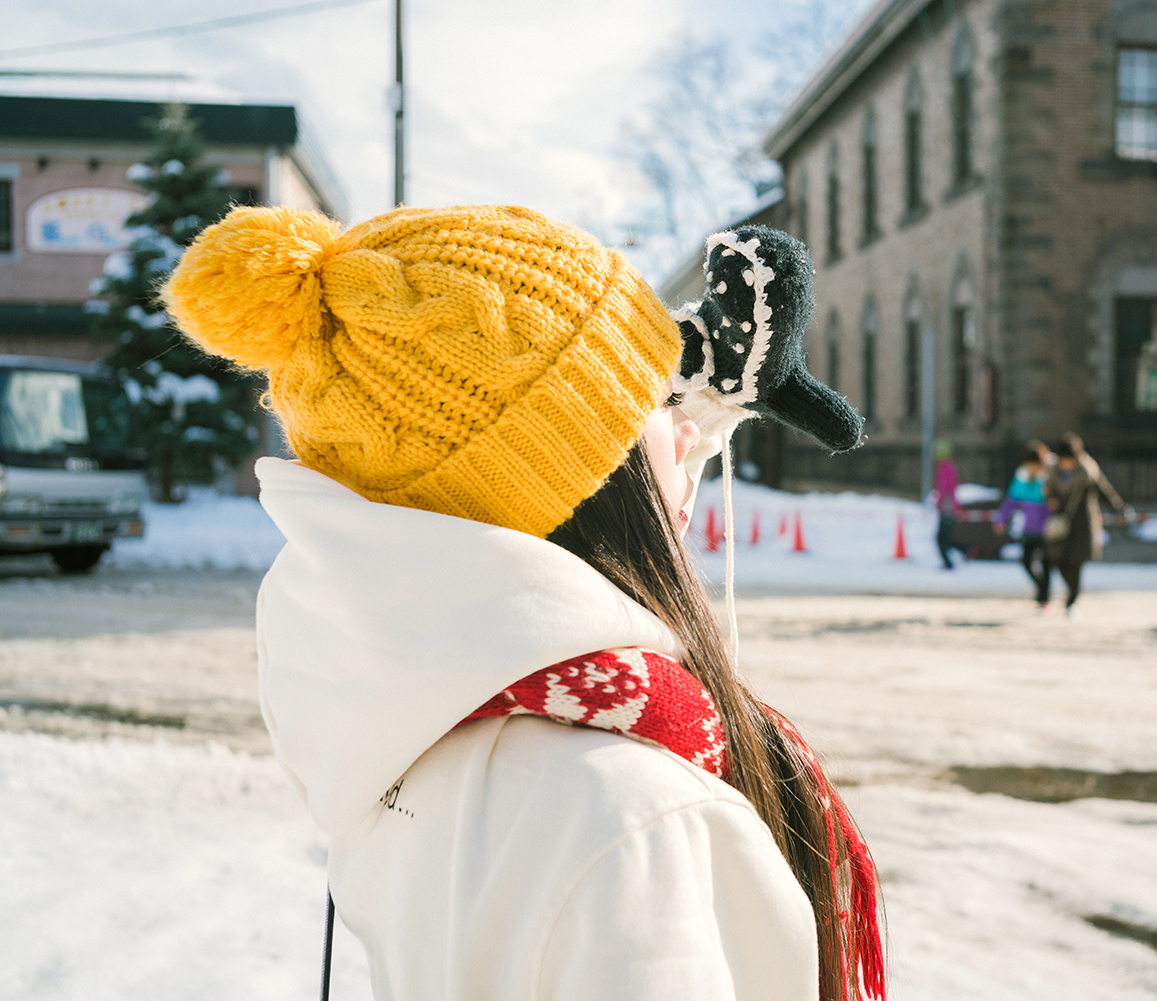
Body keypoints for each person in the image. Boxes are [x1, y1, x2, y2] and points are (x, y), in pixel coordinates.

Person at [161, 205, 883, 1001]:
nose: (688, 432)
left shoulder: (405, 721)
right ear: (576, 483)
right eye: (656, 403)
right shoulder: (632, 817)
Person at [1044, 437, 1127, 616]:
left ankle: (1072, 601)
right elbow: (1047, 491)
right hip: (1061, 524)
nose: (1066, 464)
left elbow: (1104, 490)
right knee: (1059, 560)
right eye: (1063, 460)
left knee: (1076, 561)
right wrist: (1050, 500)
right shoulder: (1052, 473)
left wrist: (1118, 507)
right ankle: (1071, 596)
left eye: (1069, 460)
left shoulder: (1088, 471)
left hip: (1083, 523)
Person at [994, 448, 1051, 605]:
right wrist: (1001, 520)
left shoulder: (1049, 479)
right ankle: (1042, 589)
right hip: (1029, 529)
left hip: (1047, 530)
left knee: (1046, 564)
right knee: (1026, 561)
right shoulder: (1021, 480)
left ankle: (1044, 597)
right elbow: (1010, 501)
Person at [933, 439, 962, 569]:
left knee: (941, 537)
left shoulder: (944, 468)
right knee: (946, 536)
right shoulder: (950, 466)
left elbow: (946, 488)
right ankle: (965, 551)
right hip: (950, 506)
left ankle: (949, 562)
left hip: (947, 507)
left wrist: (940, 503)